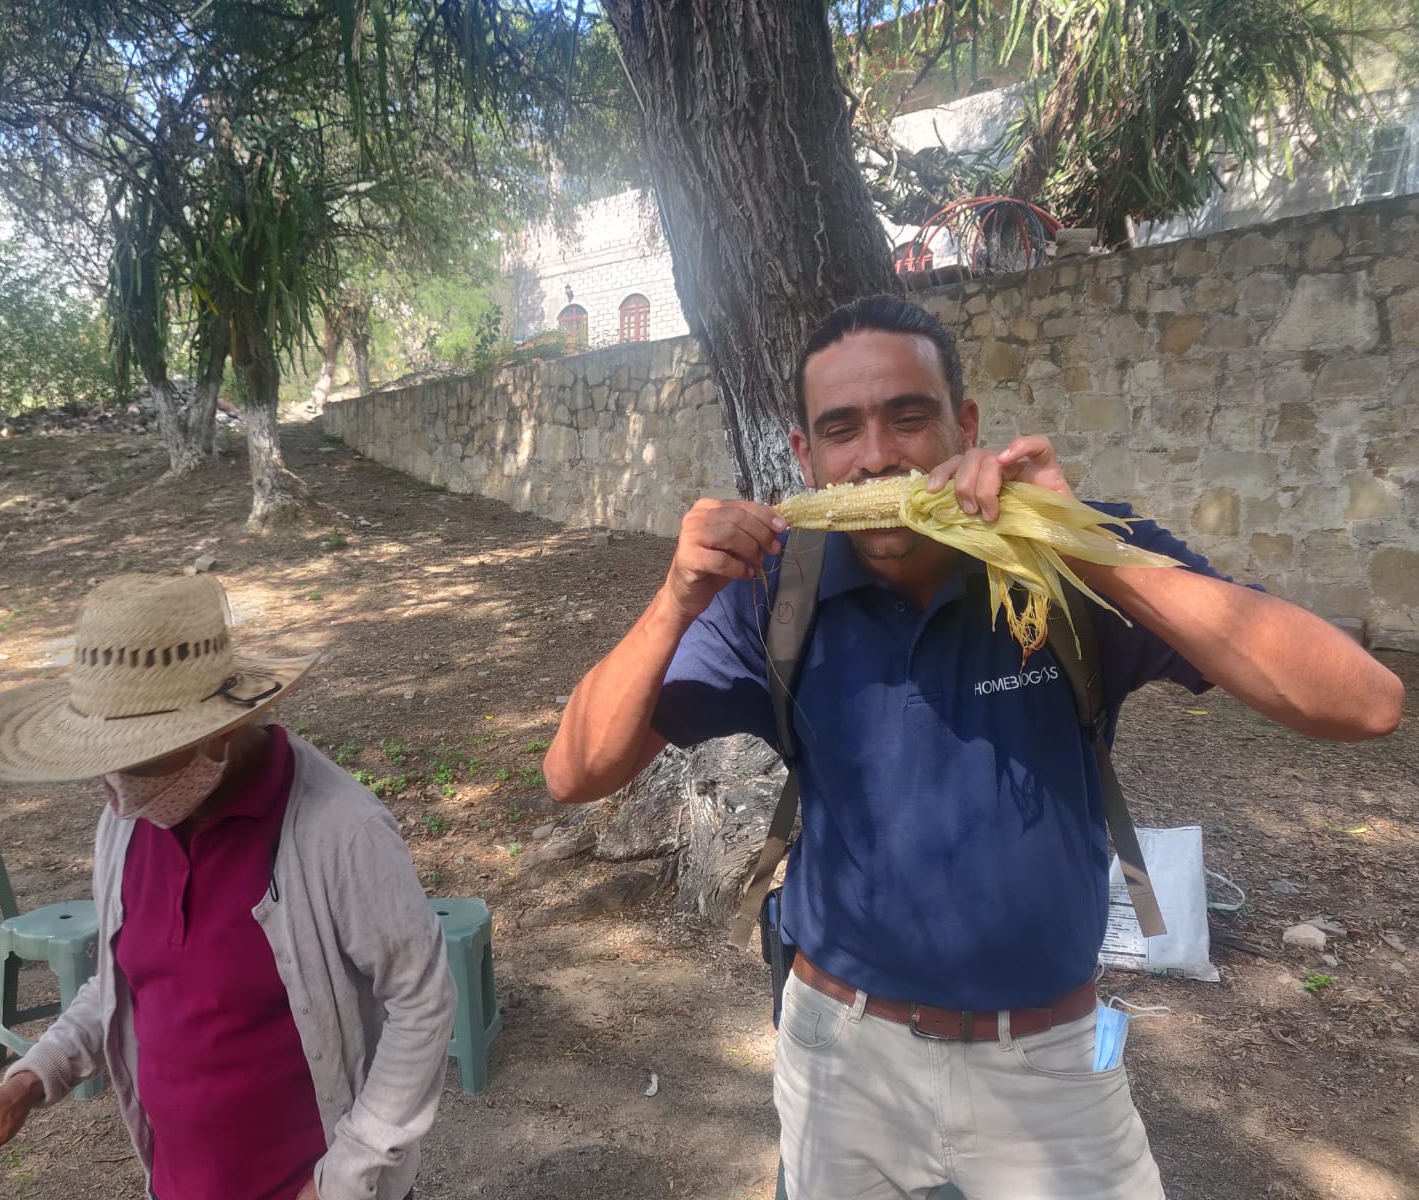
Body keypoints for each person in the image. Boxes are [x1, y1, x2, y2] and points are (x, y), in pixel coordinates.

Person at [542, 294, 1404, 1200]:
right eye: (840, 430)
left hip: (1049, 1064)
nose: (875, 454)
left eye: (907, 416)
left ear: (965, 428)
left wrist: (1086, 549)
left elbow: (1362, 703)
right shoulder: (771, 593)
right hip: (841, 1055)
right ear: (804, 456)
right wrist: (676, 597)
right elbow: (576, 770)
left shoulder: (1065, 557)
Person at [0, 574, 455, 1200]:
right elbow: (124, 982)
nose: (114, 788)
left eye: (138, 758)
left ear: (216, 733)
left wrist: (348, 1176)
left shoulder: (339, 829)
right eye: (103, 761)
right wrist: (22, 1085)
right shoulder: (127, 825)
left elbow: (420, 1002)